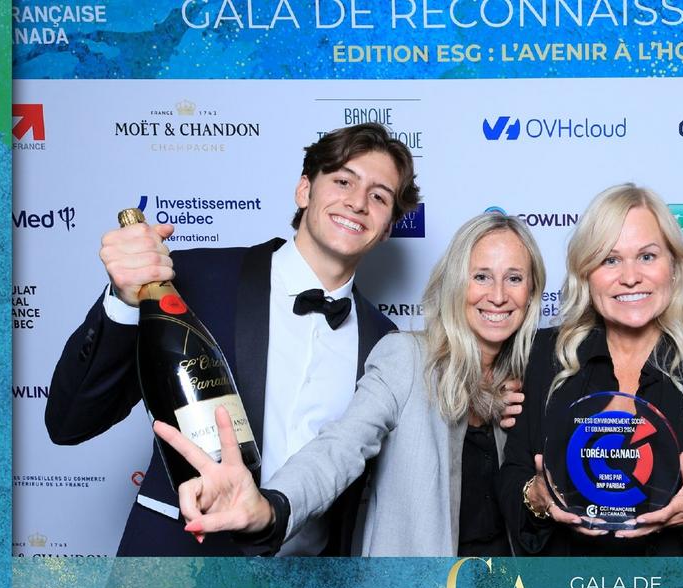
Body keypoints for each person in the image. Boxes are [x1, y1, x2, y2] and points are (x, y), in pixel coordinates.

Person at [45, 123, 419, 556]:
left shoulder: (386, 343)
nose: (357, 202)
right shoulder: (194, 278)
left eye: (379, 196)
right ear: (304, 191)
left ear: (387, 228)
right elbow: (71, 421)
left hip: (305, 587)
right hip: (177, 567)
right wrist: (126, 302)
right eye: (342, 181)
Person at [153, 213, 547, 556]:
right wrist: (272, 506)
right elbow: (341, 446)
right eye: (481, 276)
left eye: (514, 278)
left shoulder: (530, 381)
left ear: (531, 293)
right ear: (456, 284)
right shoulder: (408, 359)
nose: (498, 295)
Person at [499, 184, 683, 556]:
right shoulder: (544, 355)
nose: (630, 276)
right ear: (586, 273)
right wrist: (533, 497)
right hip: (568, 586)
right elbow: (512, 478)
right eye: (610, 260)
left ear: (674, 266)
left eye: (647, 256)